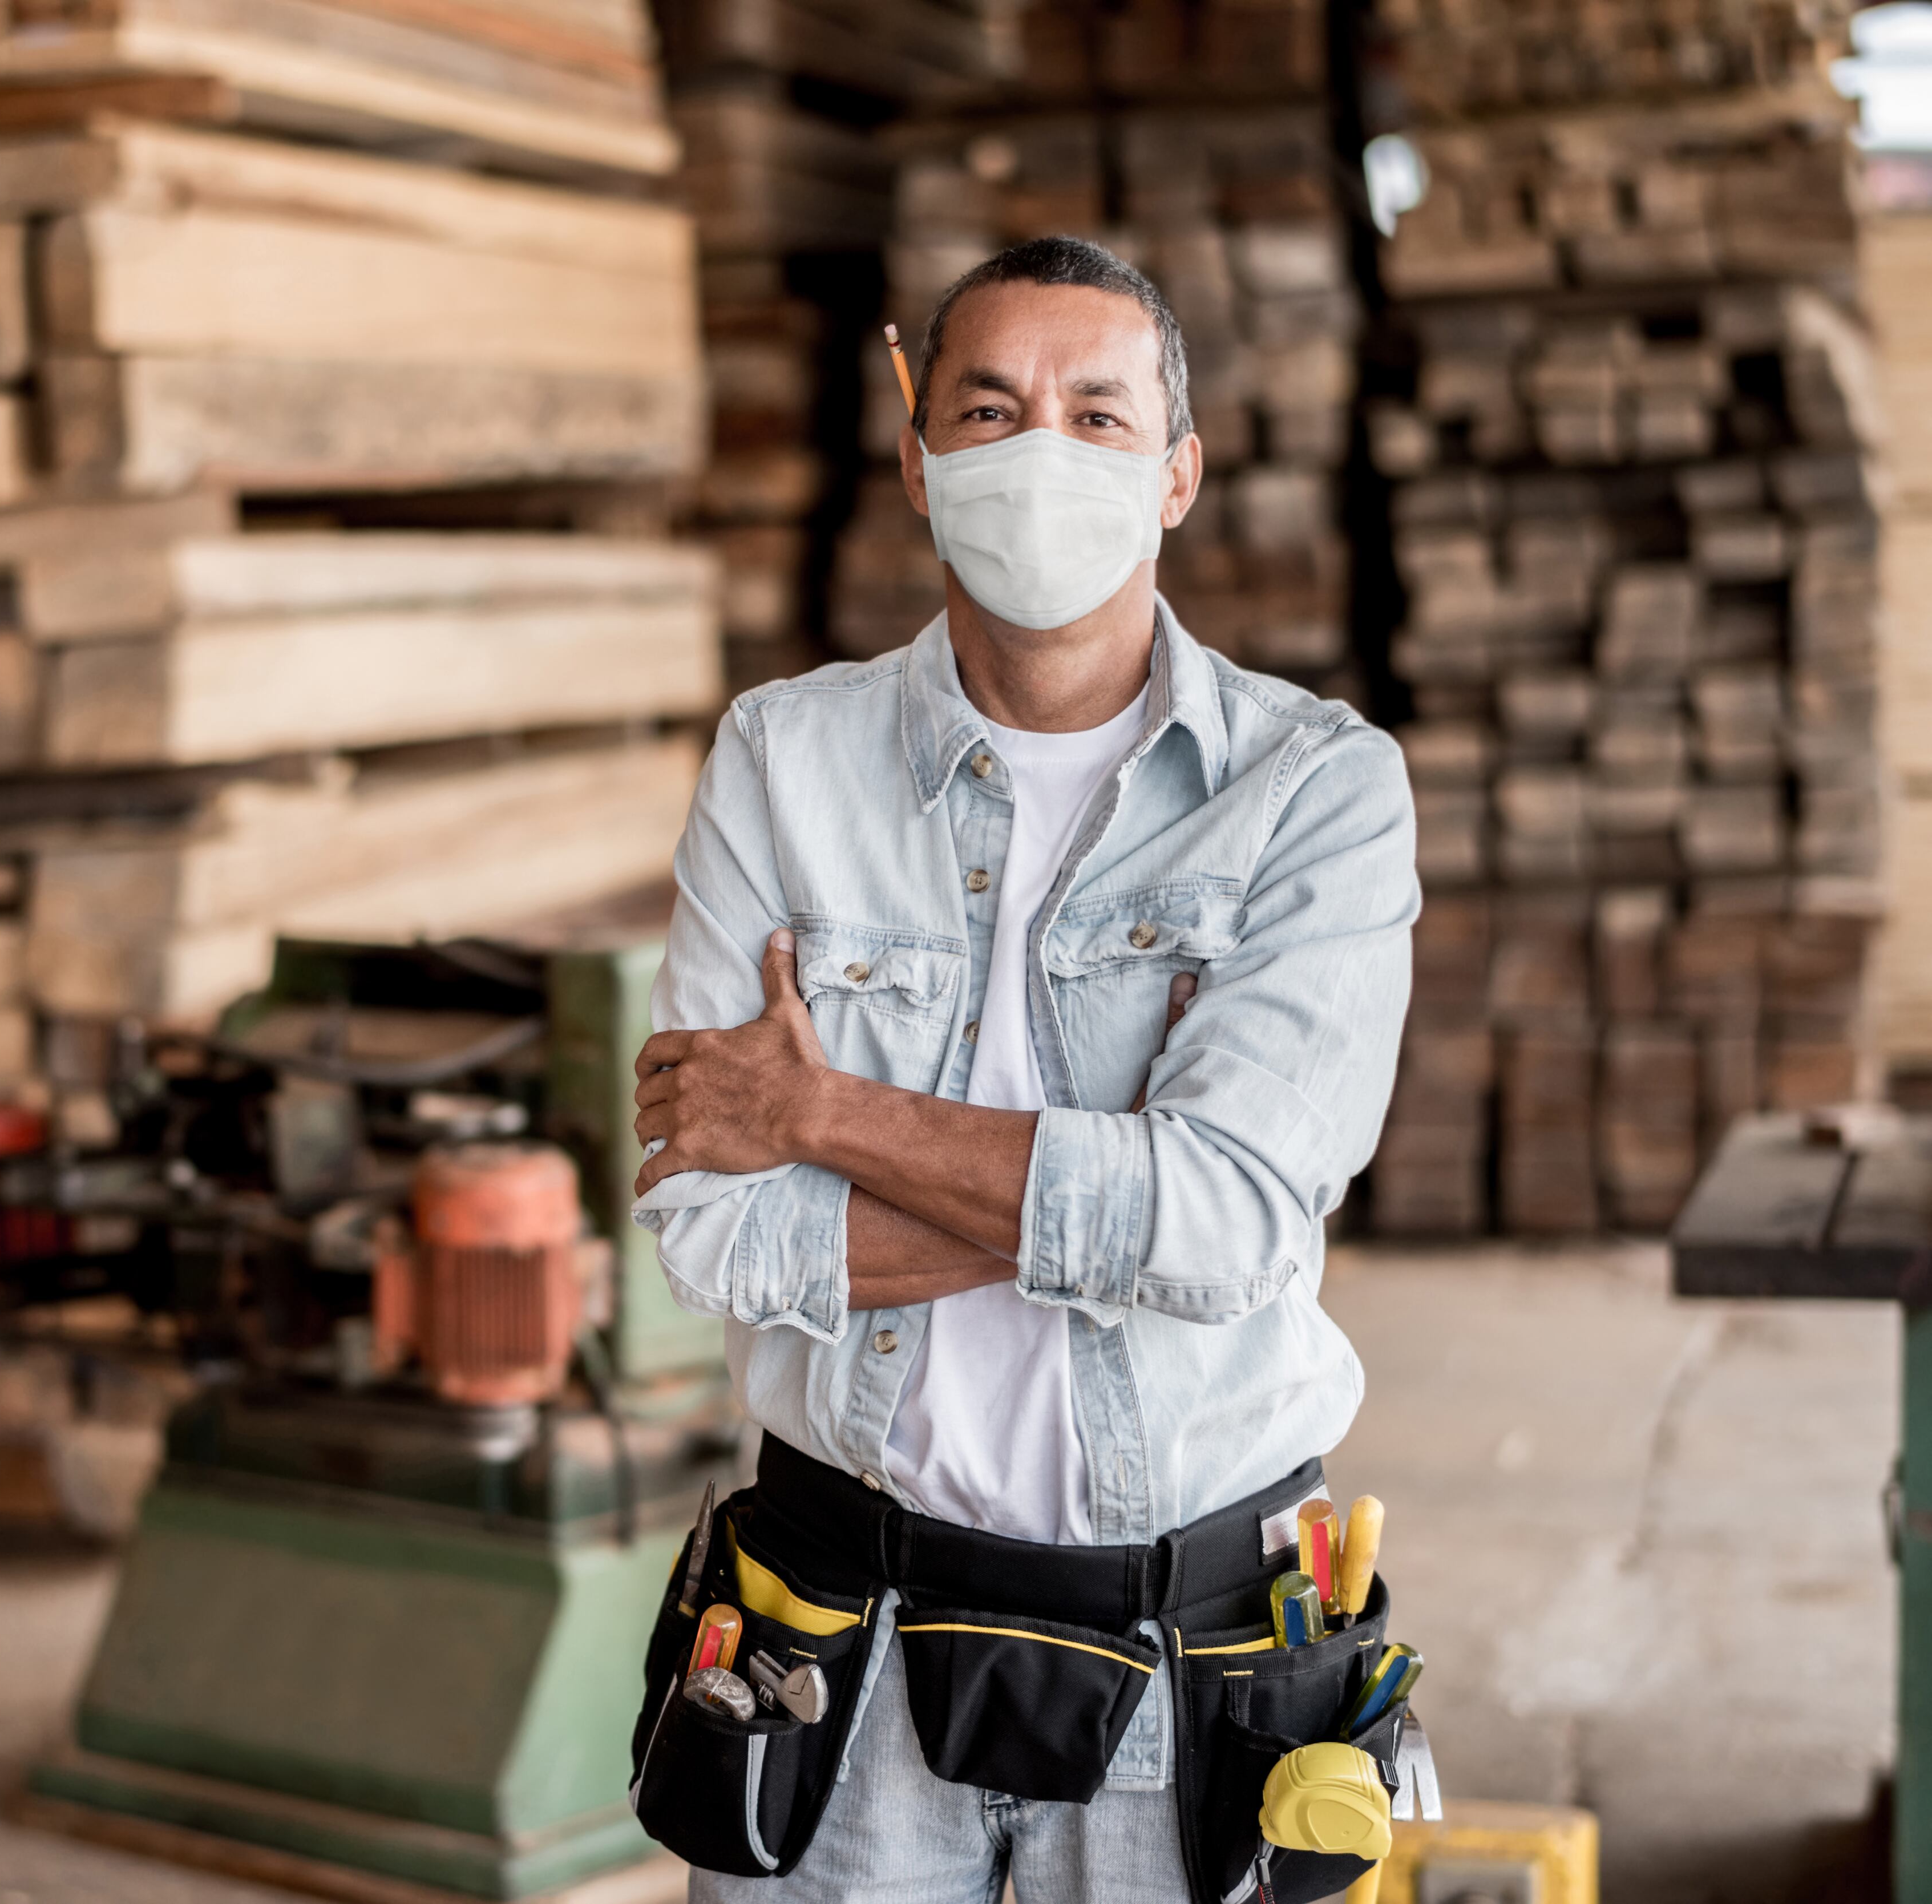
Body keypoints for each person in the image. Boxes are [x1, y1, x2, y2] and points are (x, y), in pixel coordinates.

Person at [625, 236, 1418, 1903]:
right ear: (919, 462)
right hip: (836, 1641)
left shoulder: (1316, 791)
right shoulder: (783, 762)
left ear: (1180, 474)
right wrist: (1127, 1184)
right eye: (987, 410)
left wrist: (824, 1116)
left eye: (1096, 414)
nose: (1038, 452)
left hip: (1196, 1647)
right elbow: (706, 1228)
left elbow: (1234, 1226)